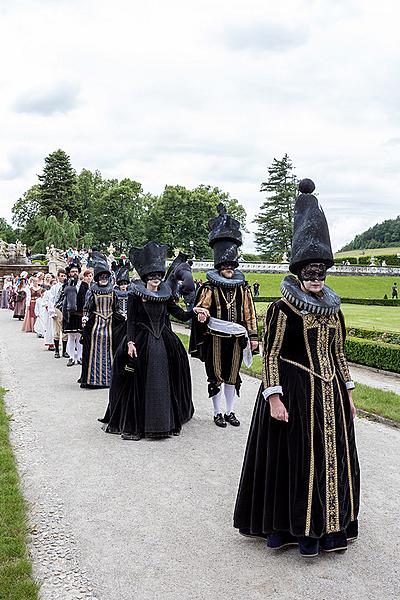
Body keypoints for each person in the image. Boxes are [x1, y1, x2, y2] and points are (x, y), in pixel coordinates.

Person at [234, 179, 360, 558]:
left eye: (321, 274)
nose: (316, 281)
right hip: (296, 393)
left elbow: (339, 354)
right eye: (310, 274)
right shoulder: (283, 309)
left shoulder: (334, 310)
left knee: (335, 460)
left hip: (331, 395)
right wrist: (273, 397)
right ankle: (297, 531)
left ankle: (332, 531)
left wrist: (348, 393)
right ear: (299, 273)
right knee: (298, 463)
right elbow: (270, 355)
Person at [101, 241, 209, 441]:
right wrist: (130, 343)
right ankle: (142, 422)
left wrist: (194, 311)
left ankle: (164, 421)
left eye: (159, 277)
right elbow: (131, 321)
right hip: (141, 340)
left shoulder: (165, 293)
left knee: (167, 377)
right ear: (145, 278)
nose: (156, 281)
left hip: (163, 339)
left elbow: (179, 314)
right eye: (152, 277)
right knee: (136, 378)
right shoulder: (135, 295)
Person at [190, 204, 259, 428]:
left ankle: (230, 411)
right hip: (215, 338)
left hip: (237, 339)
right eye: (225, 265)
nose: (229, 268)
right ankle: (217, 412)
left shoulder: (243, 288)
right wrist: (201, 313)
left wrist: (254, 336)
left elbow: (250, 314)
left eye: (232, 265)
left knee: (232, 376)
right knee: (215, 376)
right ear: (220, 266)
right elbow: (201, 306)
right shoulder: (210, 287)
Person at [80, 252, 118, 388]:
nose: (103, 279)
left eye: (105, 276)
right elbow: (87, 307)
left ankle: (109, 379)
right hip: (96, 324)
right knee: (94, 352)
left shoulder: (113, 291)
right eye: (101, 277)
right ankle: (94, 379)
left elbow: (116, 308)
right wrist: (85, 317)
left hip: (110, 324)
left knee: (110, 351)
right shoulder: (92, 291)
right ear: (97, 278)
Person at [62, 262, 89, 366]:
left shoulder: (84, 285)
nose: (74, 273)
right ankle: (72, 357)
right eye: (72, 271)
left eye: (76, 271)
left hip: (80, 314)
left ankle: (80, 357)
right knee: (71, 337)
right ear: (69, 273)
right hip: (69, 315)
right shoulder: (66, 285)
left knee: (80, 337)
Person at [48, 269, 68, 358]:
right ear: (58, 276)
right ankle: (56, 350)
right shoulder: (54, 288)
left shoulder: (68, 286)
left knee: (65, 331)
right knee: (57, 331)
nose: (63, 277)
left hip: (66, 310)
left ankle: (64, 351)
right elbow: (51, 300)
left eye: (64, 276)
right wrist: (52, 312)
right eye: (61, 276)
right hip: (57, 309)